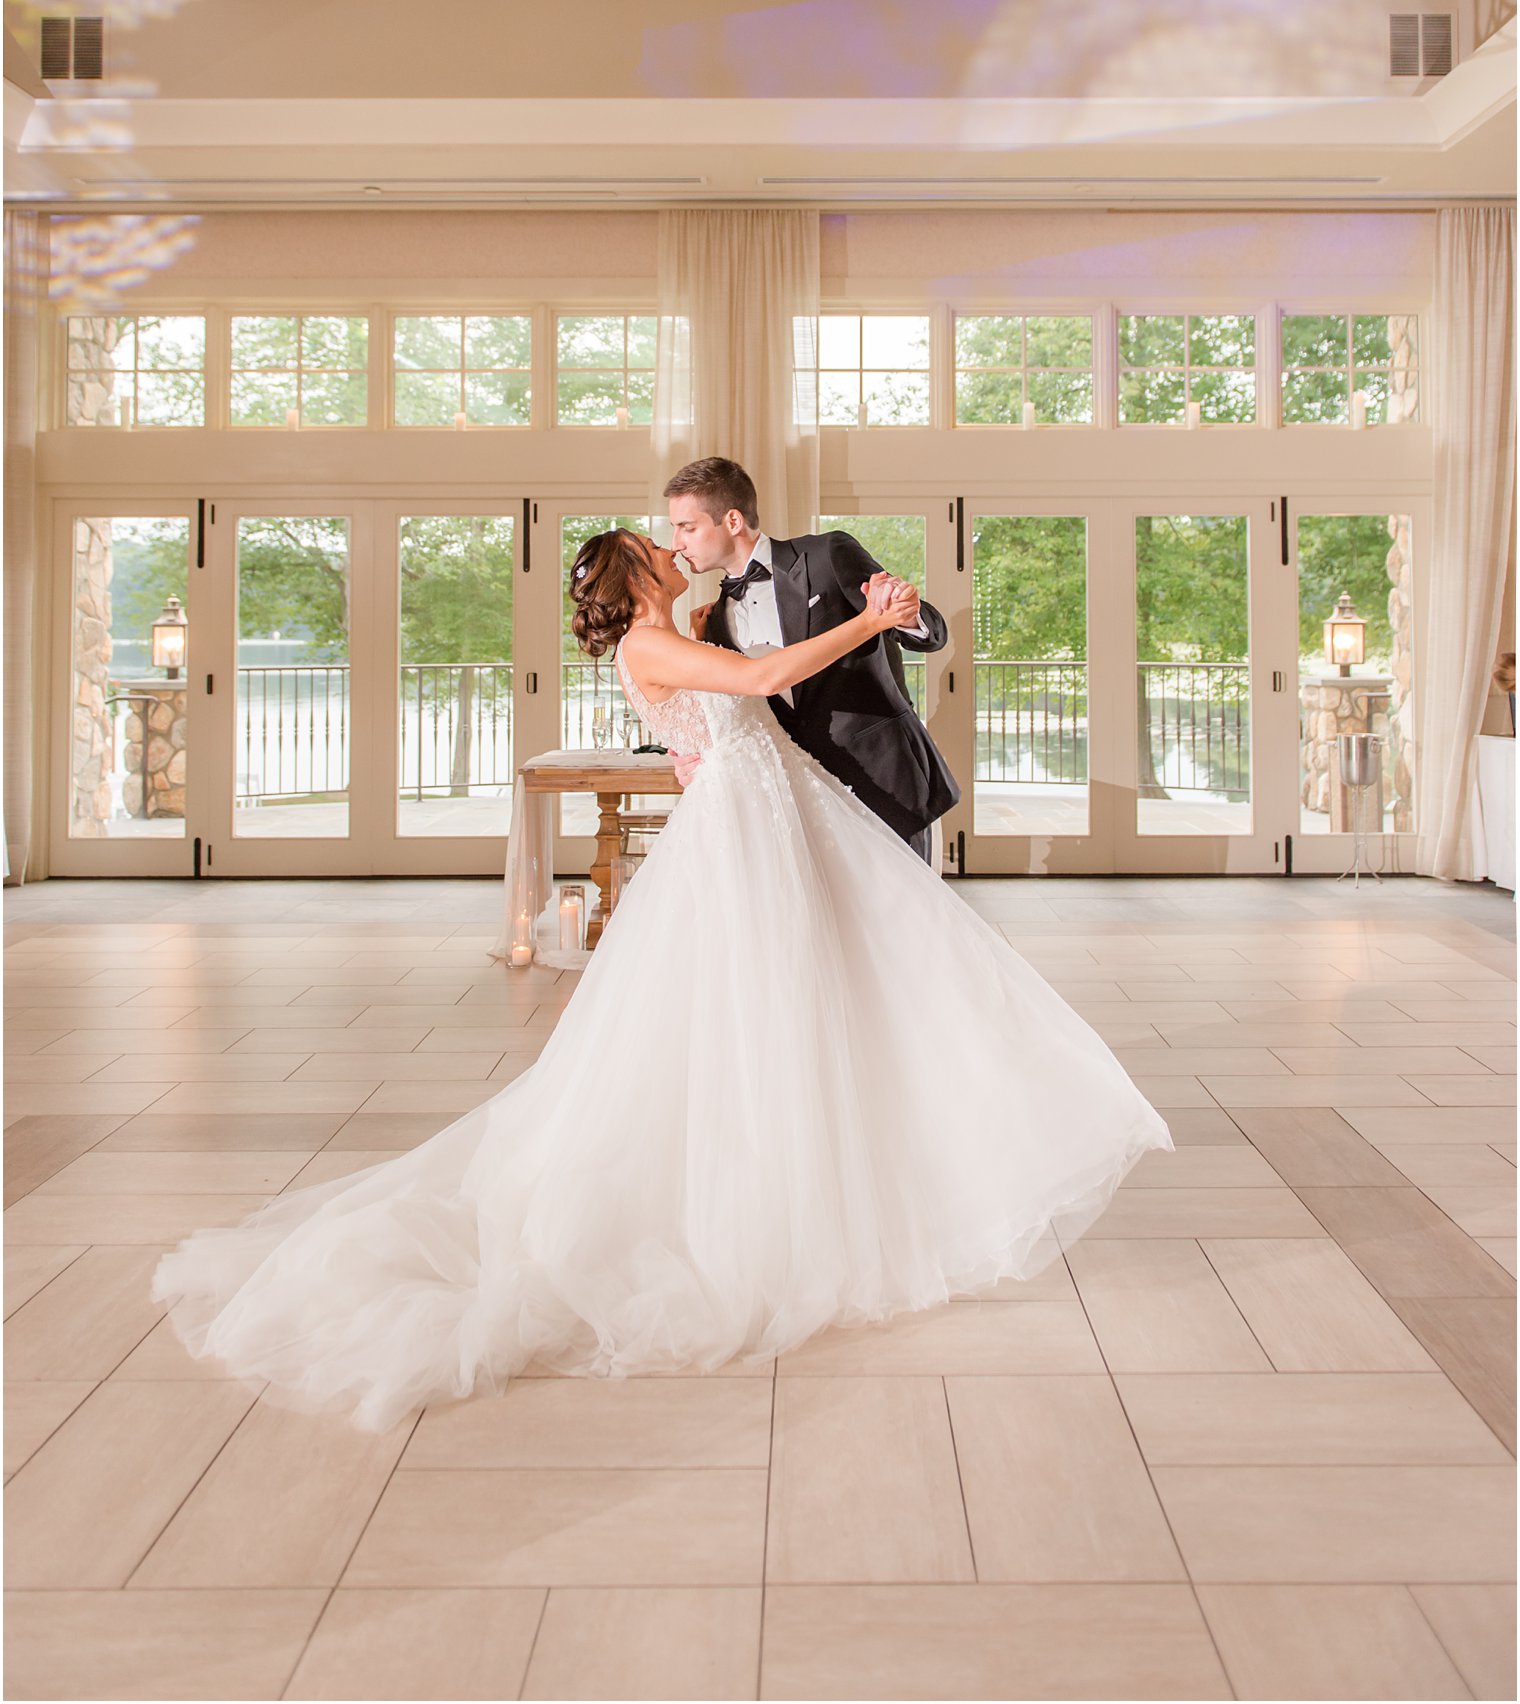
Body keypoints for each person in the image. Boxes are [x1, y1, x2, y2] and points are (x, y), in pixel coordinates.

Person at [152, 529, 1169, 1433]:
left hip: (774, 816)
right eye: (656, 542)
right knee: (749, 1010)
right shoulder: (652, 643)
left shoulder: (686, 627)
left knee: (871, 983)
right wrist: (864, 626)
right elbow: (765, 681)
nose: (670, 545)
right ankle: (765, 1204)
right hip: (740, 840)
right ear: (634, 578)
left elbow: (726, 713)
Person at [663, 456, 957, 860]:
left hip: (887, 783)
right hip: (801, 802)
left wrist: (908, 612)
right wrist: (698, 763)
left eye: (687, 527)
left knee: (911, 919)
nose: (677, 543)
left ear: (731, 521)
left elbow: (930, 633)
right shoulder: (712, 623)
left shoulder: (828, 554)